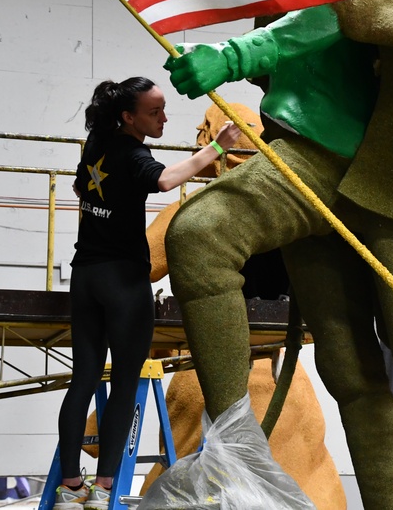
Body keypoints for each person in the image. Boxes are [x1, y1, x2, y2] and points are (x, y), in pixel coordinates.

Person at [161, 0, 393, 508]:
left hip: (333, 158)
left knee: (200, 234)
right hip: (311, 148)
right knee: (351, 369)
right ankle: (237, 451)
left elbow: (339, 14)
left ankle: (236, 453)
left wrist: (232, 57)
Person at [54, 77, 240, 510]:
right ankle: (102, 489)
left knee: (82, 379)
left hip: (86, 275)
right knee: (122, 386)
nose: (164, 117)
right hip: (122, 280)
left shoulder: (96, 143)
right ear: (128, 116)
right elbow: (165, 180)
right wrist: (218, 147)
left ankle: (69, 489)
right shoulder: (134, 153)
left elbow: (82, 188)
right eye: (155, 112)